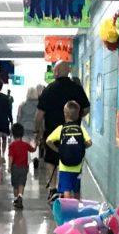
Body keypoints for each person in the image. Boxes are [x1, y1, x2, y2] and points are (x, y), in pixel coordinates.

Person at [35, 61, 90, 197]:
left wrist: (38, 132)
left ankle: (53, 187)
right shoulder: (77, 89)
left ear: (56, 72)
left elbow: (39, 115)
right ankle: (72, 188)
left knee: (51, 160)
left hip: (53, 132)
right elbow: (87, 108)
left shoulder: (48, 90)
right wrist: (77, 117)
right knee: (72, 159)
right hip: (73, 133)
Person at [44, 100, 91, 202]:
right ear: (78, 115)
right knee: (76, 189)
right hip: (77, 166)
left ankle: (68, 207)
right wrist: (81, 148)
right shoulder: (80, 129)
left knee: (66, 189)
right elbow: (89, 142)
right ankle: (77, 207)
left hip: (64, 167)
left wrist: (58, 150)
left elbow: (48, 141)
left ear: (65, 114)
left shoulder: (61, 129)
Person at [8, 122, 37, 209]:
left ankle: (16, 199)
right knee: (21, 183)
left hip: (15, 167)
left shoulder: (12, 145)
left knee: (15, 185)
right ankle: (20, 196)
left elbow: (11, 157)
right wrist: (36, 145)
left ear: (12, 134)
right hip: (24, 167)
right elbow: (32, 150)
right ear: (22, 133)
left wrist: (9, 167)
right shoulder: (25, 145)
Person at [17, 87, 40, 169]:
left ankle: (27, 160)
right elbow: (40, 117)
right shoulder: (39, 105)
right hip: (34, 127)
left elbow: (19, 116)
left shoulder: (22, 104)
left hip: (24, 127)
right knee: (34, 143)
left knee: (25, 145)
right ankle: (35, 158)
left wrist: (18, 125)